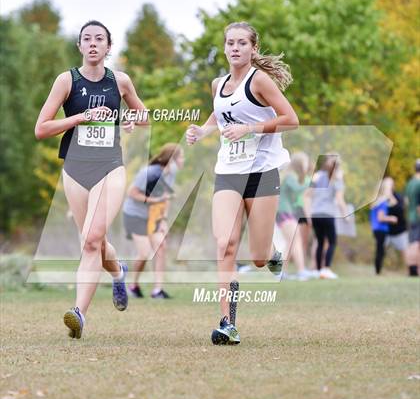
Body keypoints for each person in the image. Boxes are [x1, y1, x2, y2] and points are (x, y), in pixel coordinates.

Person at [186, 21, 299, 344]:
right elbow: (220, 115)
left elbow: (291, 120)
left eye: (241, 43)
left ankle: (273, 254)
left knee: (258, 257)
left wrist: (250, 130)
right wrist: (203, 131)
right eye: (230, 43)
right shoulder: (217, 84)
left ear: (253, 49)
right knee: (225, 245)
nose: (235, 48)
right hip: (229, 172)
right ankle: (227, 323)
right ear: (224, 48)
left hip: (262, 173)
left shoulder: (260, 81)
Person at [35, 20, 148, 339]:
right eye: (87, 39)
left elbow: (144, 116)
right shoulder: (66, 81)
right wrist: (80, 118)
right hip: (74, 169)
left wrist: (129, 119)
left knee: (92, 238)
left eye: (100, 39)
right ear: (80, 46)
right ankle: (117, 271)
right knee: (92, 241)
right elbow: (41, 128)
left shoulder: (120, 81)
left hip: (109, 166)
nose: (94, 43)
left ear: (109, 47)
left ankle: (79, 314)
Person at [123, 143, 184, 298]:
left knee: (161, 246)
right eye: (181, 157)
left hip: (153, 216)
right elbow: (131, 193)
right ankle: (132, 286)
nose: (183, 160)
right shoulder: (148, 173)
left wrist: (163, 220)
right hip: (134, 214)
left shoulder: (172, 172)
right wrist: (155, 199)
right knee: (145, 253)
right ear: (171, 159)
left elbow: (166, 197)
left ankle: (157, 290)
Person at [305, 154, 347, 279]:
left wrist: (308, 215)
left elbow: (308, 195)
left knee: (320, 241)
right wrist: (345, 215)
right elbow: (340, 200)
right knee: (332, 242)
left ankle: (318, 270)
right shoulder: (337, 180)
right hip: (328, 214)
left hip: (315, 214)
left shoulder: (317, 176)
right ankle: (326, 269)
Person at [276, 152, 313, 280]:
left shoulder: (293, 176)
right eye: (306, 162)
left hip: (286, 212)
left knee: (290, 242)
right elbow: (299, 189)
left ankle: (281, 272)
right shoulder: (290, 176)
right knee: (294, 239)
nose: (308, 165)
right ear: (299, 164)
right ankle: (301, 270)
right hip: (283, 211)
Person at [369, 178, 399, 275]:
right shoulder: (382, 202)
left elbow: (394, 203)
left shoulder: (375, 201)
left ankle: (378, 270)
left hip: (375, 228)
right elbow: (381, 218)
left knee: (380, 249)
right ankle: (378, 271)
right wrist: (391, 218)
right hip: (381, 229)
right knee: (380, 250)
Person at [405, 159, 420, 277]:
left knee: (411, 243)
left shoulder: (410, 183)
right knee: (416, 243)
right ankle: (416, 270)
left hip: (410, 217)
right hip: (418, 217)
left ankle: (411, 269)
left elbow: (406, 201)